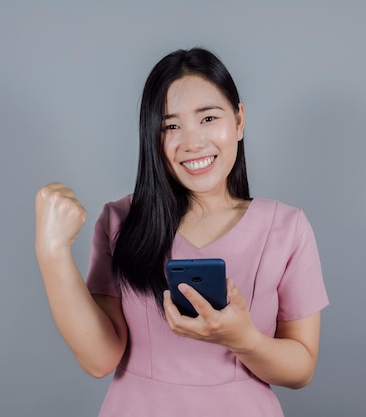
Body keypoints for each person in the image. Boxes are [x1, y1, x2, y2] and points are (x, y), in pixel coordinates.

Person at [35, 47, 329, 417]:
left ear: (239, 121)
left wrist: (243, 339)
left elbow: (301, 369)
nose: (192, 142)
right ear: (152, 138)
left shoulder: (287, 228)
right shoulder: (120, 221)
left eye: (208, 118)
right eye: (171, 125)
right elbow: (99, 359)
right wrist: (52, 254)